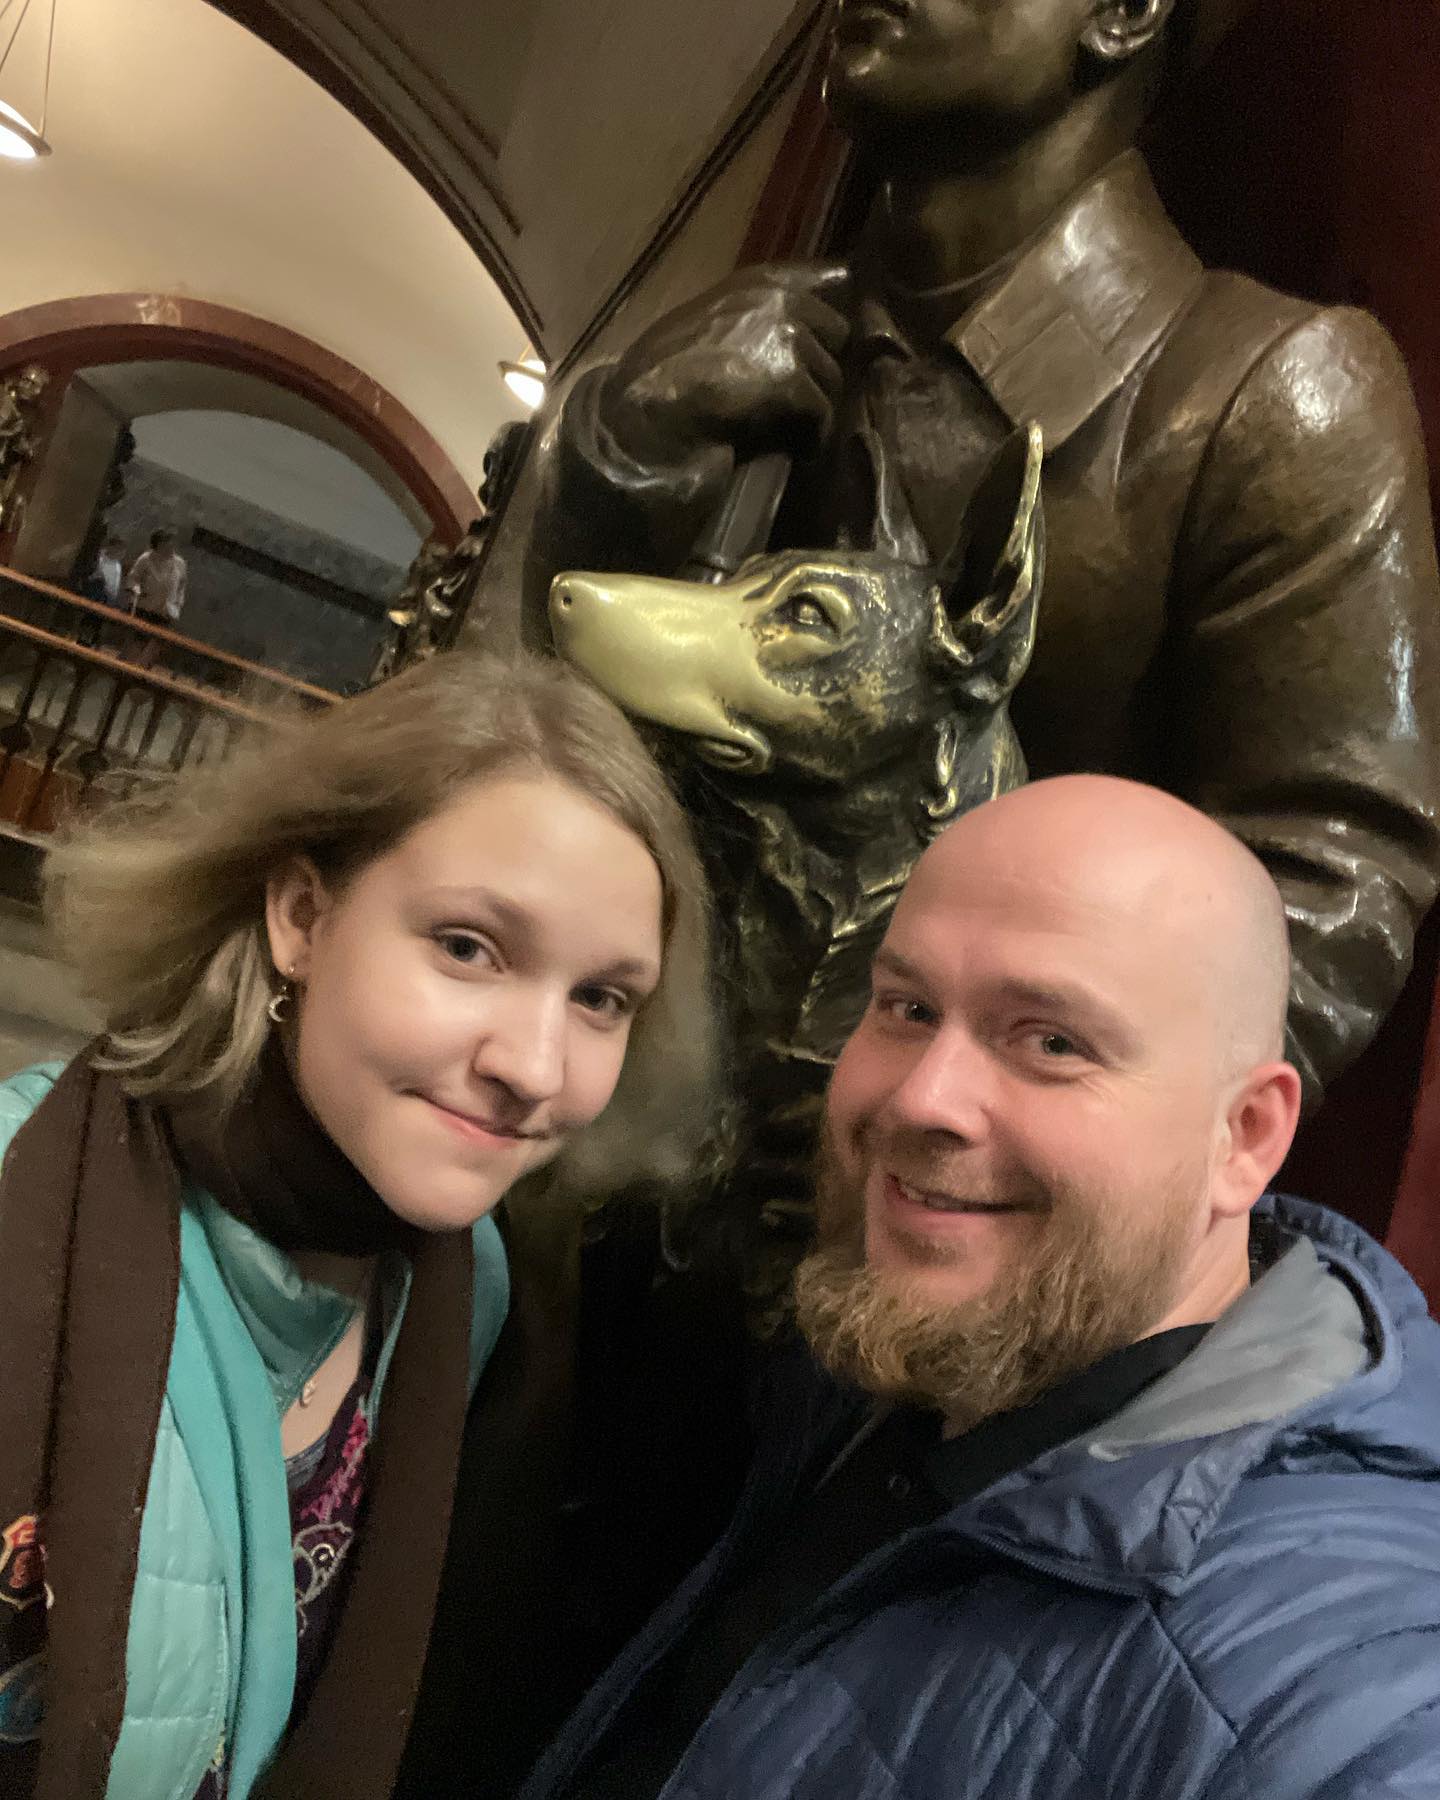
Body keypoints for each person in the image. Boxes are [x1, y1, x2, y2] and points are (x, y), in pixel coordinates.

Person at [527, 0, 1440, 1098]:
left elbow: (1332, 886)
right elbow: (531, 754)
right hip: (621, 1128)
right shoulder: (734, 362)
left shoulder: (1269, 397)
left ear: (1124, 12)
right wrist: (622, 466)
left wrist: (992, 1106)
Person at [521, 776, 1440, 1800]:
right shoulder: (899, 1362)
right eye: (908, 1008)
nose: (923, 1098)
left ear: (1245, 1138)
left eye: (1051, 1042)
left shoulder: (1342, 1675)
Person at [0, 650, 713, 1800]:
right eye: (468, 947)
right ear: (302, 916)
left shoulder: (463, 1291)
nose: (535, 1068)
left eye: (600, 998)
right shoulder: (22, 1195)